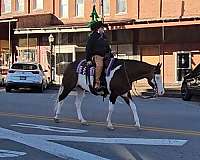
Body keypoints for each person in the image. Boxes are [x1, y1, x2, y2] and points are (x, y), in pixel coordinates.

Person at [86, 21, 111, 92]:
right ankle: (97, 83)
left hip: (106, 56)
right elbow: (88, 48)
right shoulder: (93, 36)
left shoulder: (104, 37)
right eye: (102, 28)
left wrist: (110, 53)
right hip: (97, 56)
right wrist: (88, 59)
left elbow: (107, 47)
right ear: (98, 29)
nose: (103, 29)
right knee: (100, 65)